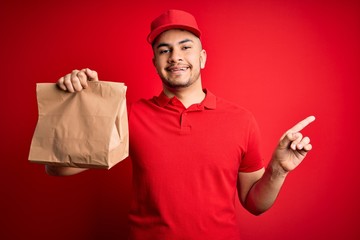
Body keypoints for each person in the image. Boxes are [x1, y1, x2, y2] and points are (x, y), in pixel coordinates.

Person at [46, 9, 315, 240]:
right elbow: (57, 168)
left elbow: (255, 203)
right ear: (155, 63)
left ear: (203, 57)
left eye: (186, 47)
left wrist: (278, 169)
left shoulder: (241, 120)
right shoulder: (132, 116)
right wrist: (77, 101)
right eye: (165, 50)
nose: (175, 56)